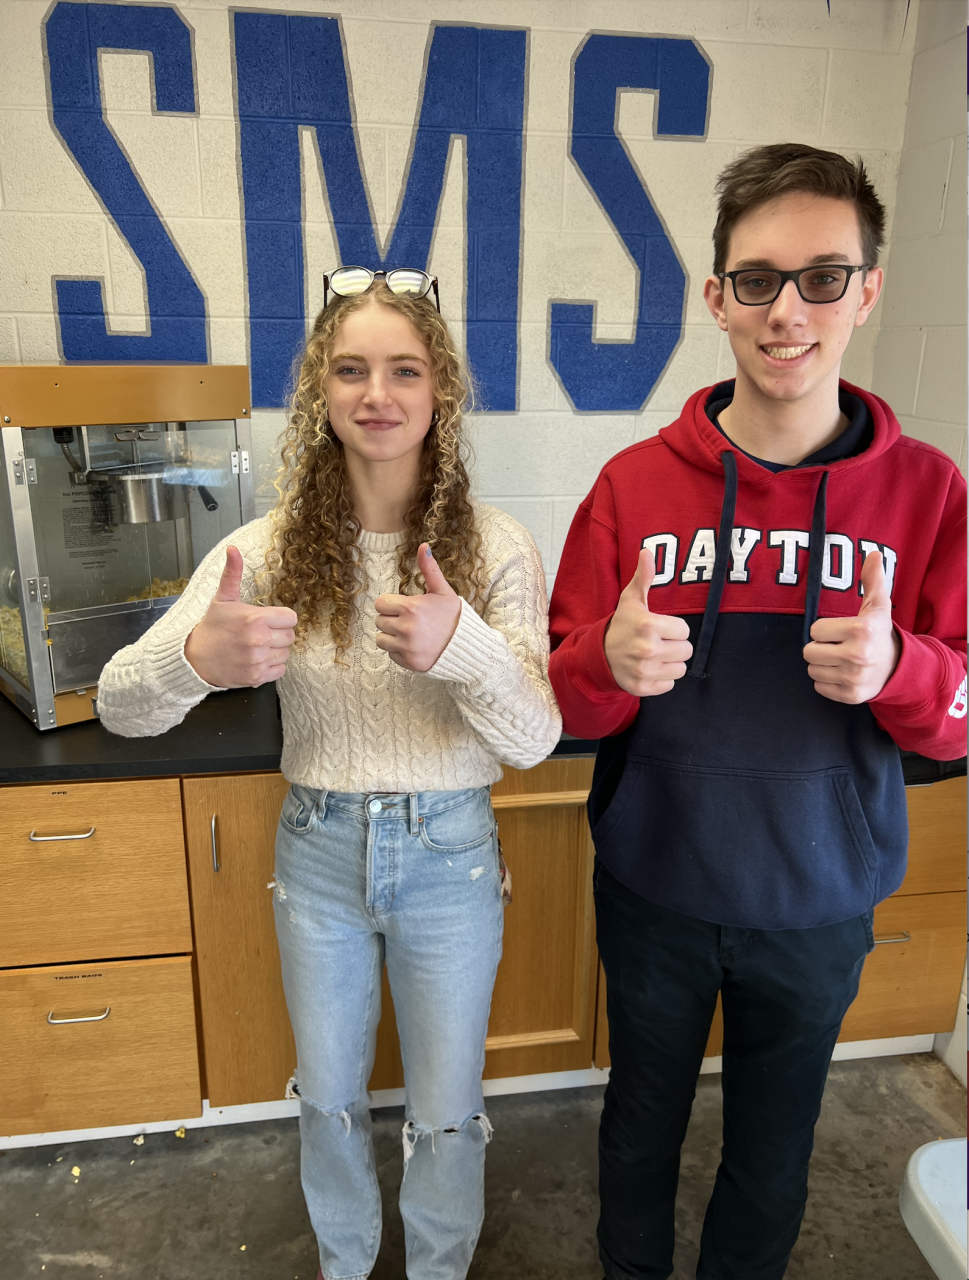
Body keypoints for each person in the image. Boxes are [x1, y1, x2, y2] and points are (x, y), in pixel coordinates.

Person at [548, 143, 967, 1280]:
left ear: (867, 292)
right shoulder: (633, 484)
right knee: (637, 1132)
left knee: (773, 1156)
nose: (787, 310)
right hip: (654, 891)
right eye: (758, 279)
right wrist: (606, 662)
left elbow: (958, 715)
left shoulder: (929, 491)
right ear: (716, 295)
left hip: (819, 901)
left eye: (822, 278)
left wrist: (900, 667)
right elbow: (562, 695)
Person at [97, 269, 561, 1280]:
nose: (377, 393)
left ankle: (438, 1268)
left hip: (450, 855)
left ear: (442, 390)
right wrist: (196, 662)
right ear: (320, 389)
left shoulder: (497, 546)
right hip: (317, 855)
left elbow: (534, 737)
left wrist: (465, 650)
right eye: (350, 370)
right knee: (329, 1098)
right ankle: (344, 1265)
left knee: (447, 1109)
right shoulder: (262, 552)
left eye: (405, 369)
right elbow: (122, 702)